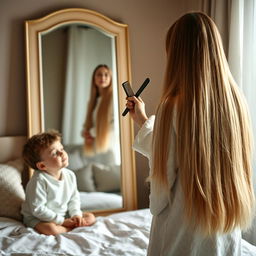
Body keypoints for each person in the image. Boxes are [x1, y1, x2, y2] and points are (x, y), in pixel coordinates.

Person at [126, 12, 256, 255]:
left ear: (177, 56)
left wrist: (154, 206)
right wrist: (143, 120)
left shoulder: (172, 105)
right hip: (223, 230)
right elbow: (188, 149)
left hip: (182, 232)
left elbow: (163, 183)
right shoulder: (237, 102)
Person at [21, 130, 96, 235]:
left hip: (63, 214)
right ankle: (69, 229)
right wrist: (61, 221)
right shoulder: (39, 181)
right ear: (42, 166)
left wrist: (76, 215)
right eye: (55, 153)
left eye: (61, 148)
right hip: (39, 218)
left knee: (90, 217)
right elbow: (38, 209)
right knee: (51, 229)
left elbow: (74, 198)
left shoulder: (70, 175)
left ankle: (73, 224)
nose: (62, 153)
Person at [82, 64, 114, 157]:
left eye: (106, 74)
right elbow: (89, 123)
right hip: (96, 147)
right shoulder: (93, 102)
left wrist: (91, 133)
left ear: (110, 78)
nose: (102, 77)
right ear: (94, 78)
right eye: (99, 74)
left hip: (110, 147)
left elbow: (114, 125)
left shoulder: (113, 99)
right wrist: (85, 133)